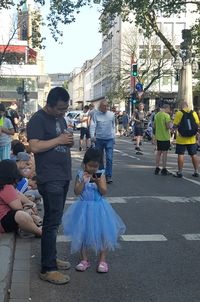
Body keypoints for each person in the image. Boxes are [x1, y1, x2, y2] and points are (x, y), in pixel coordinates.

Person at [27, 87, 74, 285]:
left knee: (55, 221)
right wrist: (60, 140)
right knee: (51, 223)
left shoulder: (60, 118)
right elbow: (35, 146)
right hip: (50, 176)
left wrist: (67, 142)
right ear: (49, 104)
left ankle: (51, 258)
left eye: (65, 109)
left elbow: (59, 141)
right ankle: (48, 268)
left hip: (62, 174)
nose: (63, 113)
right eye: (60, 109)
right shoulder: (37, 119)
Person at [62, 148, 126, 273]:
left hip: (99, 208)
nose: (92, 169)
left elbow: (104, 191)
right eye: (90, 165)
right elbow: (76, 192)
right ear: (84, 163)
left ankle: (102, 260)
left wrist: (97, 182)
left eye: (95, 166)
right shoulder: (80, 174)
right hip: (83, 208)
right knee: (82, 233)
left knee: (103, 233)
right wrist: (83, 182)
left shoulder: (100, 174)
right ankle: (84, 259)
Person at [0, 159, 42, 236]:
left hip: (4, 219)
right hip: (3, 221)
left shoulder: (4, 185)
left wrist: (31, 204)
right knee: (22, 214)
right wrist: (30, 209)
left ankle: (35, 225)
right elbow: (18, 207)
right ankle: (39, 232)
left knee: (26, 209)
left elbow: (18, 194)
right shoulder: (6, 187)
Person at [90, 100, 115, 184]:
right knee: (99, 158)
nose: (105, 107)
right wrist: (92, 136)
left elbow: (113, 126)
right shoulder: (96, 114)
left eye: (106, 106)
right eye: (103, 106)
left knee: (109, 158)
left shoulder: (111, 115)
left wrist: (114, 137)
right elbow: (93, 125)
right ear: (100, 107)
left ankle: (108, 175)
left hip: (109, 139)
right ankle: (101, 174)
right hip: (99, 139)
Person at [173, 101, 199, 178]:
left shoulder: (179, 113)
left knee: (181, 155)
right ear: (187, 106)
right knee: (193, 155)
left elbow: (175, 124)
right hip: (192, 138)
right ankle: (196, 171)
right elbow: (197, 123)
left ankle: (180, 172)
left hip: (181, 138)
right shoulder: (193, 113)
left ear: (181, 106)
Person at [154, 104, 172, 175]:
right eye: (169, 109)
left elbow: (154, 126)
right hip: (165, 137)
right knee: (165, 153)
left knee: (158, 153)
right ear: (166, 108)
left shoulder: (157, 115)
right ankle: (164, 169)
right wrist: (171, 124)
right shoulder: (166, 116)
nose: (169, 111)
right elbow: (168, 127)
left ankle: (157, 168)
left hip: (158, 136)